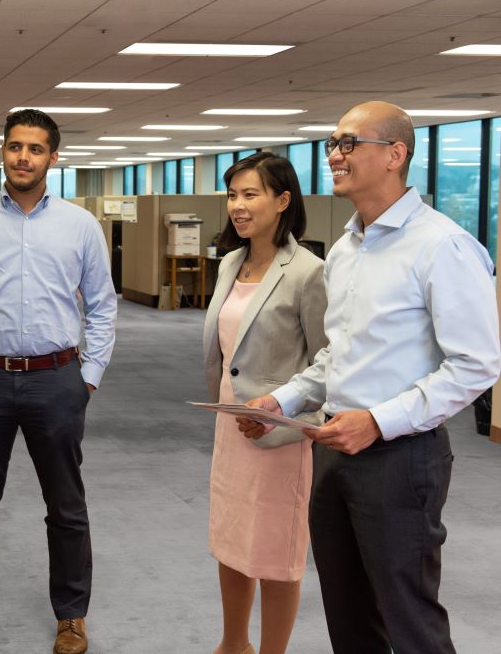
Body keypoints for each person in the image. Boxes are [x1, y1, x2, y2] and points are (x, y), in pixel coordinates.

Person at [239, 101, 501, 653]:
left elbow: (476, 364)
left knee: (408, 620)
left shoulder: (442, 245)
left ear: (395, 155)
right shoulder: (345, 250)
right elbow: (340, 354)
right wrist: (284, 401)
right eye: (333, 143)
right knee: (350, 617)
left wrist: (379, 423)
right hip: (333, 447)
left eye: (348, 143)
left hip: (401, 457)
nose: (334, 154)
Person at [0, 109, 117, 654]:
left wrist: (88, 377)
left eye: (36, 149)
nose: (23, 157)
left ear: (53, 158)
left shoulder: (79, 225)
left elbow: (103, 306)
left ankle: (72, 616)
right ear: (3, 152)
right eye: (15, 146)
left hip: (57, 380)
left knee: (66, 505)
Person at [202, 152, 328, 654]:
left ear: (282, 200)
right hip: (231, 427)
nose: (238, 205)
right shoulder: (230, 261)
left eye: (251, 194)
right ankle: (233, 644)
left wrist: (283, 412)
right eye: (233, 195)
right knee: (231, 539)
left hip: (279, 435)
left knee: (277, 551)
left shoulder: (308, 272)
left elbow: (326, 361)